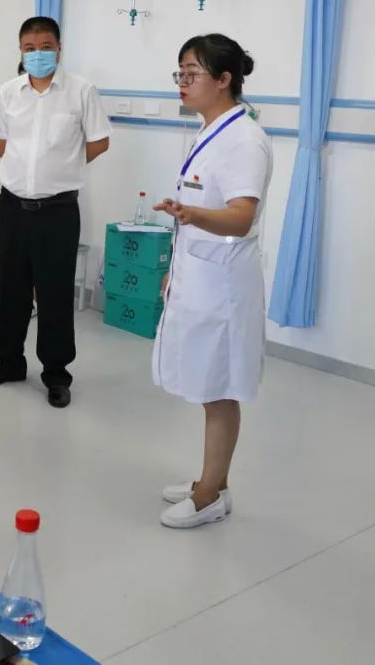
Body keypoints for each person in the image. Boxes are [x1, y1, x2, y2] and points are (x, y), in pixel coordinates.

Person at [152, 34, 271, 529]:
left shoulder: (245, 140)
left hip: (222, 284)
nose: (182, 82)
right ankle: (211, 479)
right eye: (179, 72)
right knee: (208, 381)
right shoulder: (212, 130)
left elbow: (240, 217)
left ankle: (210, 496)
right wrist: (175, 267)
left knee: (219, 387)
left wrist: (192, 214)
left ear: (224, 80)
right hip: (200, 272)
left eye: (192, 73)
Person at [0, 17, 111, 408]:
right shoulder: (7, 92)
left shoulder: (81, 91)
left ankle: (56, 373)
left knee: (54, 292)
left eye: (46, 46)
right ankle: (9, 363)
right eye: (30, 48)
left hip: (58, 209)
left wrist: (62, 166)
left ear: (59, 48)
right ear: (20, 50)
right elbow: (1, 143)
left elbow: (99, 142)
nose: (38, 54)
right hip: (13, 205)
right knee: (10, 289)